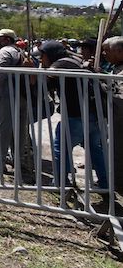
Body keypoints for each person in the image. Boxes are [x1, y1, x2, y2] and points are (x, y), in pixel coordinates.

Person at [39, 41, 107, 189]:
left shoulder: (60, 64)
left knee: (61, 146)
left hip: (77, 114)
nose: (41, 59)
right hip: (94, 113)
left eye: (42, 56)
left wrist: (37, 71)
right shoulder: (74, 61)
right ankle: (105, 182)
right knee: (94, 148)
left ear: (50, 54)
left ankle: (61, 182)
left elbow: (44, 84)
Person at [0, 28, 35, 181]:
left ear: (6, 40)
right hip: (23, 96)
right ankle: (19, 162)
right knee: (20, 131)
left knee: (3, 129)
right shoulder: (21, 52)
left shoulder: (5, 52)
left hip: (8, 96)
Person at [102, 36, 123, 193]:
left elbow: (119, 96)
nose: (104, 54)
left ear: (119, 52)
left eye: (107, 51)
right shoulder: (116, 68)